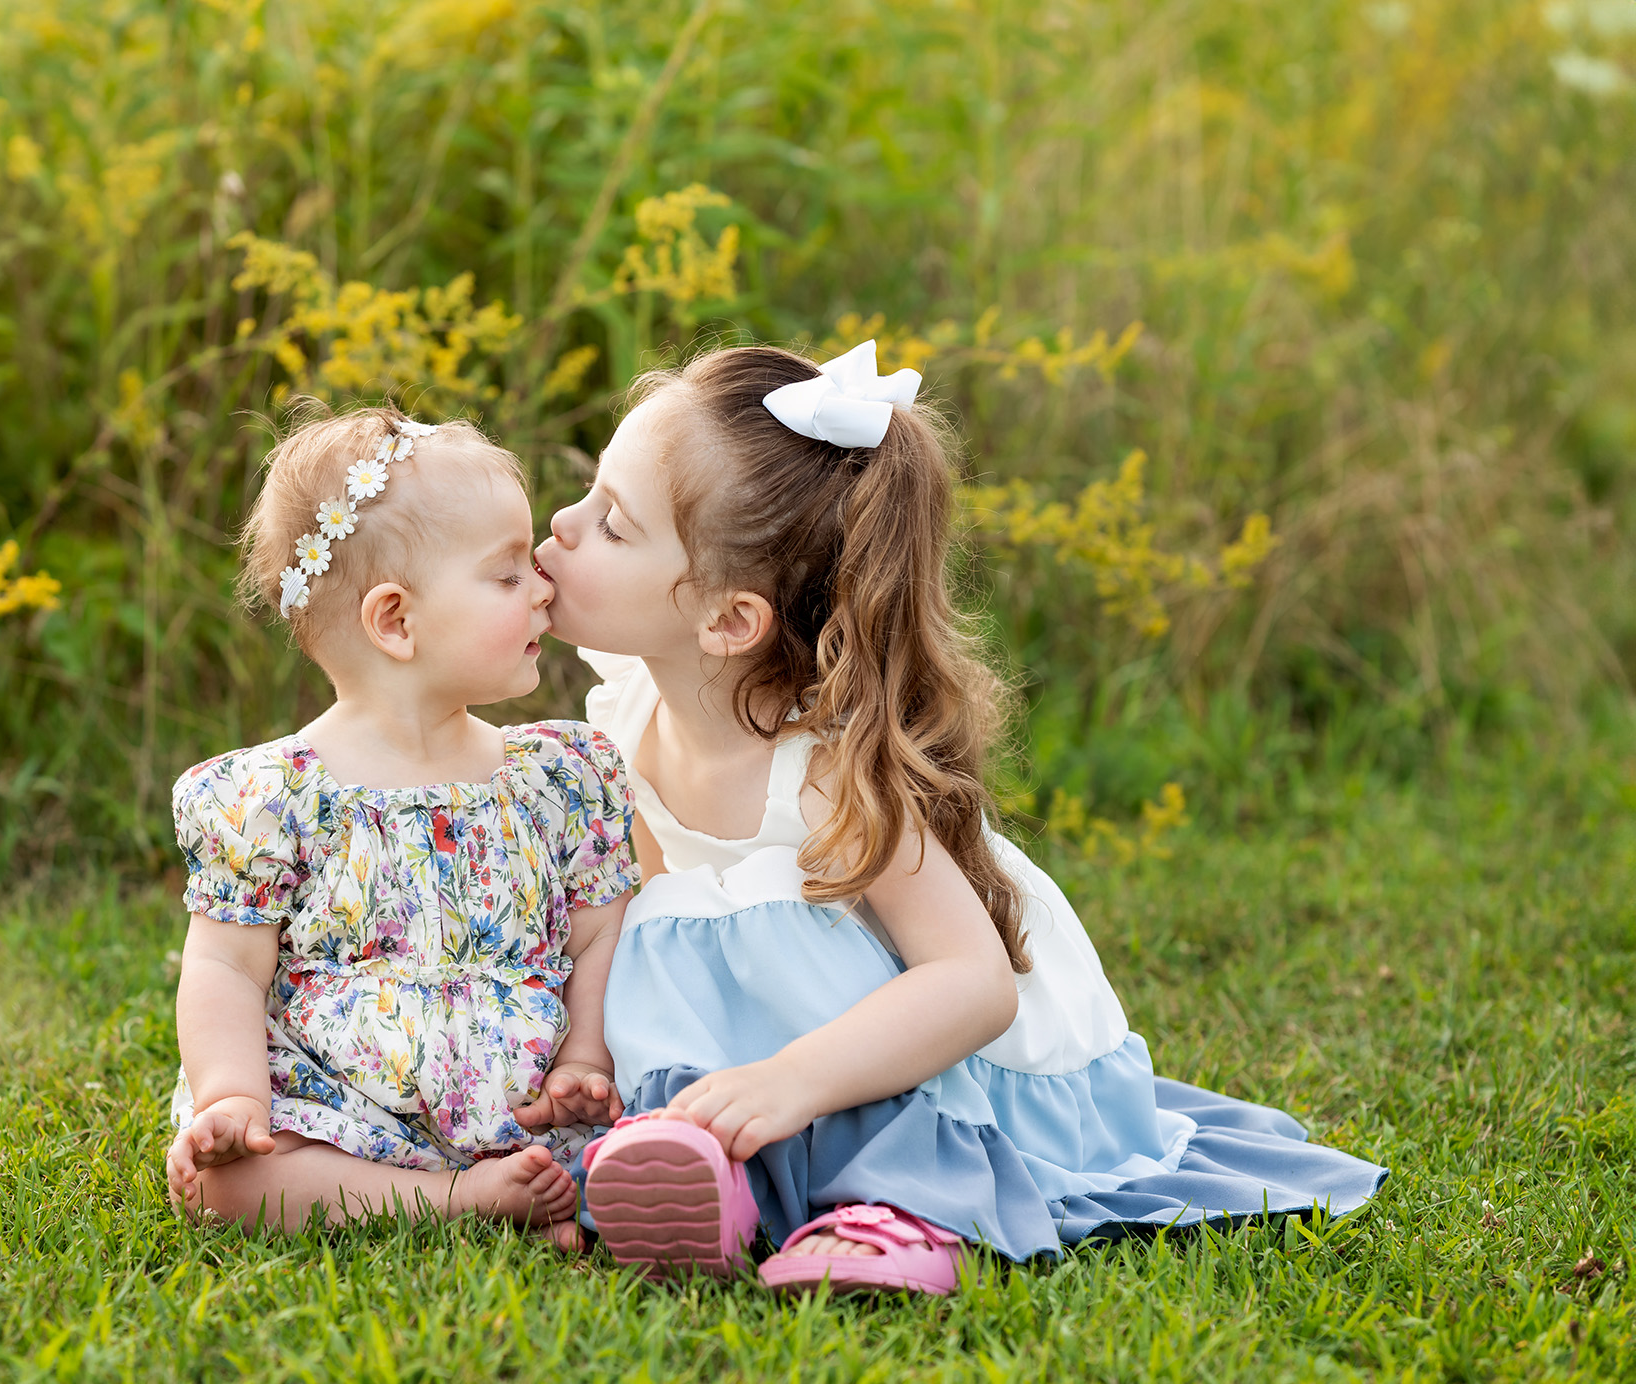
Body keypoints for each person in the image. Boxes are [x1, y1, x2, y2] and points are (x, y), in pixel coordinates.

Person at [534, 341, 1388, 1293]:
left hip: (923, 1067)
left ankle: (905, 1207)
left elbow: (972, 984)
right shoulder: (618, 720)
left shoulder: (823, 773)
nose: (561, 526)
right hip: (780, 1066)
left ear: (729, 622)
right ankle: (707, 1175)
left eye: (611, 523)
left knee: (793, 927)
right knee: (669, 926)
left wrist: (789, 1083)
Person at [165, 406, 635, 1244]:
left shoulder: (559, 776)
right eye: (506, 575)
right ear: (396, 621)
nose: (543, 587)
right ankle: (465, 1201)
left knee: (632, 1136)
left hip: (519, 1093)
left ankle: (544, 1186)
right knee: (221, 1184)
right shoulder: (273, 797)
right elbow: (226, 967)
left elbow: (601, 937)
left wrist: (584, 1061)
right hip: (341, 1101)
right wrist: (231, 1094)